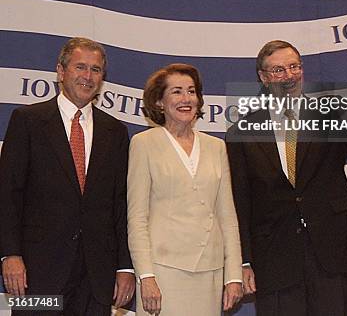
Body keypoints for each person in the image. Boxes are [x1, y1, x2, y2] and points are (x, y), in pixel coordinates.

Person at [226, 24, 347, 316]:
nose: (289, 76)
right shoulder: (242, 132)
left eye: (294, 66)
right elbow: (241, 202)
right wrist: (244, 261)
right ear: (263, 78)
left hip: (332, 252)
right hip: (275, 260)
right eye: (278, 70)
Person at [0, 37, 135, 316]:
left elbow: (120, 204)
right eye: (80, 67)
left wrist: (124, 266)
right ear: (61, 72)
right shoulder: (27, 121)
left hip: (96, 276)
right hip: (36, 275)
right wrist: (10, 254)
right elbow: (8, 194)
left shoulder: (116, 132)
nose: (88, 76)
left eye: (96, 70)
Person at [127, 63, 243, 316]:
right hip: (163, 272)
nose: (186, 99)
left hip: (210, 272)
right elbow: (137, 218)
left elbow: (227, 216)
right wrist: (146, 275)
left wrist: (233, 275)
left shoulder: (216, 146)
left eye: (191, 91)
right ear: (159, 101)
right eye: (177, 92)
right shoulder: (143, 144)